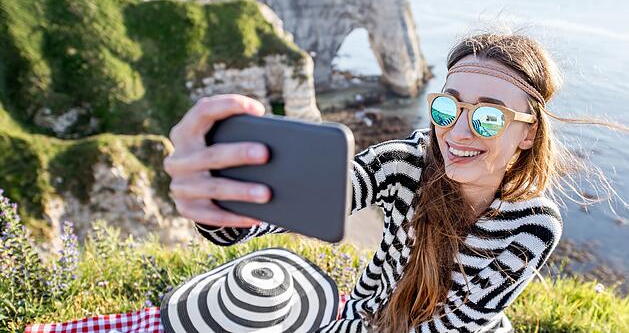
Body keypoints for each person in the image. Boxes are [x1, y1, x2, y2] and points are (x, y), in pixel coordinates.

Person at [162, 32, 629, 333]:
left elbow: (460, 326)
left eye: (488, 116)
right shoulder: (403, 163)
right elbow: (302, 203)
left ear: (528, 132)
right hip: (365, 319)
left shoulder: (535, 223)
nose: (458, 132)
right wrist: (223, 200)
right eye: (447, 107)